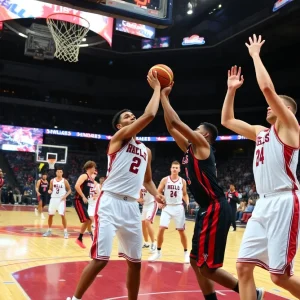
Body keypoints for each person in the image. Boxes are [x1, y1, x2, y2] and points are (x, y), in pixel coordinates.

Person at [67, 70, 165, 300]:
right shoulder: (118, 140)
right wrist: (158, 89)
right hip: (110, 201)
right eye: (128, 117)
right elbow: (150, 114)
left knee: (135, 263)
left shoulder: (146, 150)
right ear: (119, 126)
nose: (132, 117)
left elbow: (148, 180)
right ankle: (75, 299)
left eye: (133, 116)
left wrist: (156, 195)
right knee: (101, 259)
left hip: (132, 207)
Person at [160, 85, 264, 300]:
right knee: (195, 261)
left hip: (216, 207)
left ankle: (252, 293)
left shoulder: (202, 146)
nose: (194, 131)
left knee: (207, 267)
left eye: (197, 128)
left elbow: (177, 123)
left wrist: (163, 95)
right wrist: (163, 99)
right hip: (206, 208)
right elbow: (171, 128)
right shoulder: (190, 149)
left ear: (204, 135)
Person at [221, 34, 300, 300]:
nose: (269, 105)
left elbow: (268, 89)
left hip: (284, 201)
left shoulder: (290, 128)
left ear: (288, 110)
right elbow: (228, 120)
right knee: (243, 267)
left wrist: (255, 55)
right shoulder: (259, 132)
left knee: (279, 276)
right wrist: (231, 90)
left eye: (278, 104)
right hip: (263, 203)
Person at [148, 161, 190, 263]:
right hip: (167, 207)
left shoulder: (183, 181)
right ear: (170, 169)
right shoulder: (165, 180)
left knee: (181, 231)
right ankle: (158, 252)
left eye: (176, 168)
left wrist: (187, 202)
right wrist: (159, 203)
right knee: (161, 228)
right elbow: (158, 192)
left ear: (179, 170)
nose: (175, 169)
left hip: (178, 207)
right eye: (173, 167)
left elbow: (184, 194)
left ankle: (186, 253)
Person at [43, 167, 71, 238]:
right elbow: (50, 189)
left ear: (62, 173)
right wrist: (49, 191)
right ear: (56, 173)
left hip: (61, 199)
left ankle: (65, 232)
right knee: (50, 215)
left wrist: (65, 196)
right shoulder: (52, 180)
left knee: (62, 215)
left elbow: (70, 190)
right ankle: (49, 230)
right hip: (53, 199)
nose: (59, 173)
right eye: (58, 172)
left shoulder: (65, 181)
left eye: (60, 172)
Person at [74, 161, 97, 248]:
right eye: (93, 167)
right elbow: (76, 186)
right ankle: (79, 238)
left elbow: (96, 188)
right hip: (78, 200)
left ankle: (83, 236)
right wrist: (83, 196)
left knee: (90, 220)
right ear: (90, 168)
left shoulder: (92, 179)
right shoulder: (84, 176)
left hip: (85, 201)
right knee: (87, 220)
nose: (94, 169)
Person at [138, 185, 158, 253]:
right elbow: (140, 198)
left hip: (152, 204)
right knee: (143, 224)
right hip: (145, 206)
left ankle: (154, 243)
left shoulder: (150, 183)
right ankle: (146, 243)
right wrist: (139, 199)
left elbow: (156, 193)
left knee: (147, 222)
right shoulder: (140, 185)